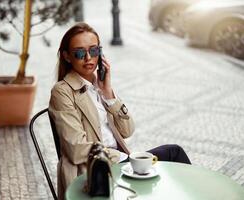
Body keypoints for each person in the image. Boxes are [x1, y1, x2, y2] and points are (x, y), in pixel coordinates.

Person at [48, 22, 191, 199]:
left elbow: (127, 130)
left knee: (174, 152)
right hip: (93, 172)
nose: (88, 58)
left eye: (93, 51)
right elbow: (76, 149)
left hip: (120, 161)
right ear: (67, 56)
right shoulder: (62, 91)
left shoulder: (98, 85)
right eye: (79, 53)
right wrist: (124, 160)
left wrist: (108, 94)